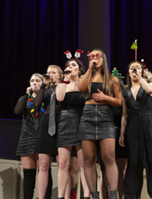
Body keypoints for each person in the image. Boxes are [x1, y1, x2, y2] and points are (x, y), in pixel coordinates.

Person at [78, 49, 121, 199]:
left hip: (105, 117)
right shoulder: (86, 76)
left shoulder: (112, 79)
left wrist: (105, 98)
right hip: (87, 117)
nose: (95, 58)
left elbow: (119, 101)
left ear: (104, 59)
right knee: (89, 159)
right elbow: (81, 88)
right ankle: (94, 195)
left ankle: (113, 195)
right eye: (92, 56)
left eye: (98, 56)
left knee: (109, 157)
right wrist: (90, 68)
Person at [119, 60, 152, 199]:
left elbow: (150, 91)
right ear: (128, 72)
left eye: (137, 68)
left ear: (142, 71)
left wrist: (141, 78)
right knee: (134, 162)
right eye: (132, 68)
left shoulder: (150, 84)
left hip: (149, 123)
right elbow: (125, 115)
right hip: (133, 125)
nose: (134, 70)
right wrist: (121, 134)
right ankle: (131, 196)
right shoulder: (125, 91)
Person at [56, 57, 90, 199]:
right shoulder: (62, 84)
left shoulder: (85, 84)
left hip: (82, 122)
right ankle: (61, 196)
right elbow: (59, 98)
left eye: (73, 65)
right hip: (65, 123)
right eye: (68, 65)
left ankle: (87, 195)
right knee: (63, 163)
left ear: (80, 68)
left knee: (83, 163)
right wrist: (65, 79)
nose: (70, 67)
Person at [14, 73, 44, 199]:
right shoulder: (25, 98)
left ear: (43, 83)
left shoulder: (46, 97)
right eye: (32, 80)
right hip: (27, 137)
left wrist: (42, 92)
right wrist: (27, 95)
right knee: (28, 176)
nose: (34, 83)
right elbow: (17, 111)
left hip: (42, 137)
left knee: (43, 172)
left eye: (37, 80)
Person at [35, 65, 62, 199]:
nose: (49, 74)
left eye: (53, 72)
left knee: (62, 164)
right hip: (46, 125)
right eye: (48, 72)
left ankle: (63, 195)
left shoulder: (64, 87)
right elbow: (37, 104)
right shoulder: (45, 89)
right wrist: (42, 86)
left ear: (60, 75)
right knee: (43, 165)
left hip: (61, 124)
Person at [100, 68, 127, 199]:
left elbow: (125, 117)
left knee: (121, 171)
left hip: (120, 136)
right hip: (103, 134)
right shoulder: (102, 100)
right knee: (104, 170)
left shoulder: (122, 101)